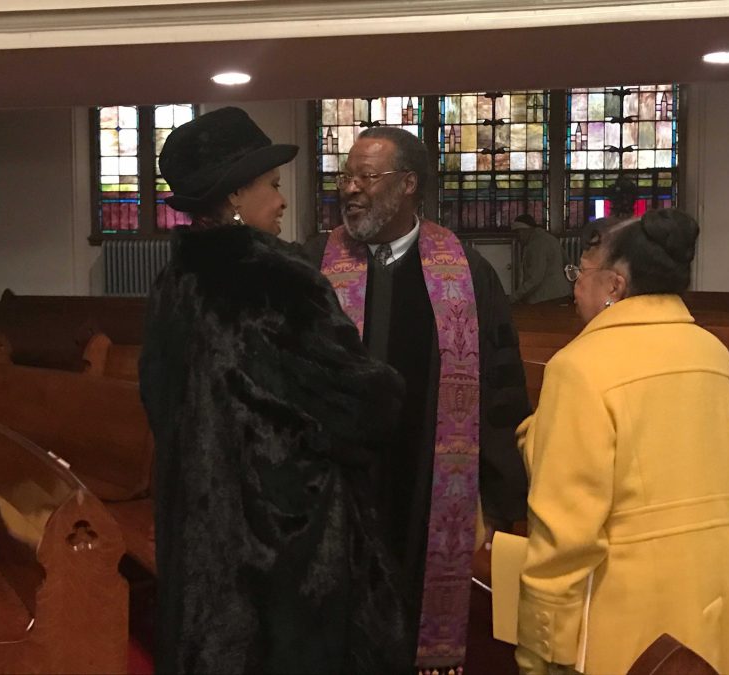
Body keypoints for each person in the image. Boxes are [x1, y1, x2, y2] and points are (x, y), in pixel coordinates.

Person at [138, 107, 411, 675]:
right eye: (273, 185)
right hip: (287, 544)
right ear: (237, 193)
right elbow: (361, 404)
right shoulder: (279, 277)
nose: (283, 200)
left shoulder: (173, 284)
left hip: (203, 533)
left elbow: (158, 400)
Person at [302, 126, 530, 670]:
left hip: (428, 488)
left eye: (366, 176)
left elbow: (500, 385)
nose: (350, 189)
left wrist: (496, 498)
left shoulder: (467, 273)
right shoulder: (314, 264)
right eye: (346, 176)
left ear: (408, 184)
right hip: (335, 485)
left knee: (412, 619)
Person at [515, 209, 729, 674]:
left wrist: (541, 650)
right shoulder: (711, 353)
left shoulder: (580, 367)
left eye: (581, 272)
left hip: (628, 618)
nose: (574, 286)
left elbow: (564, 535)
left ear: (614, 286)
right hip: (712, 597)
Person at [510, 214, 572, 304]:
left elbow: (535, 279)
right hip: (562, 293)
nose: (518, 238)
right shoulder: (550, 238)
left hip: (547, 298)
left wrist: (514, 297)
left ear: (524, 231)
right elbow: (567, 263)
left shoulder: (535, 245)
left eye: (518, 233)